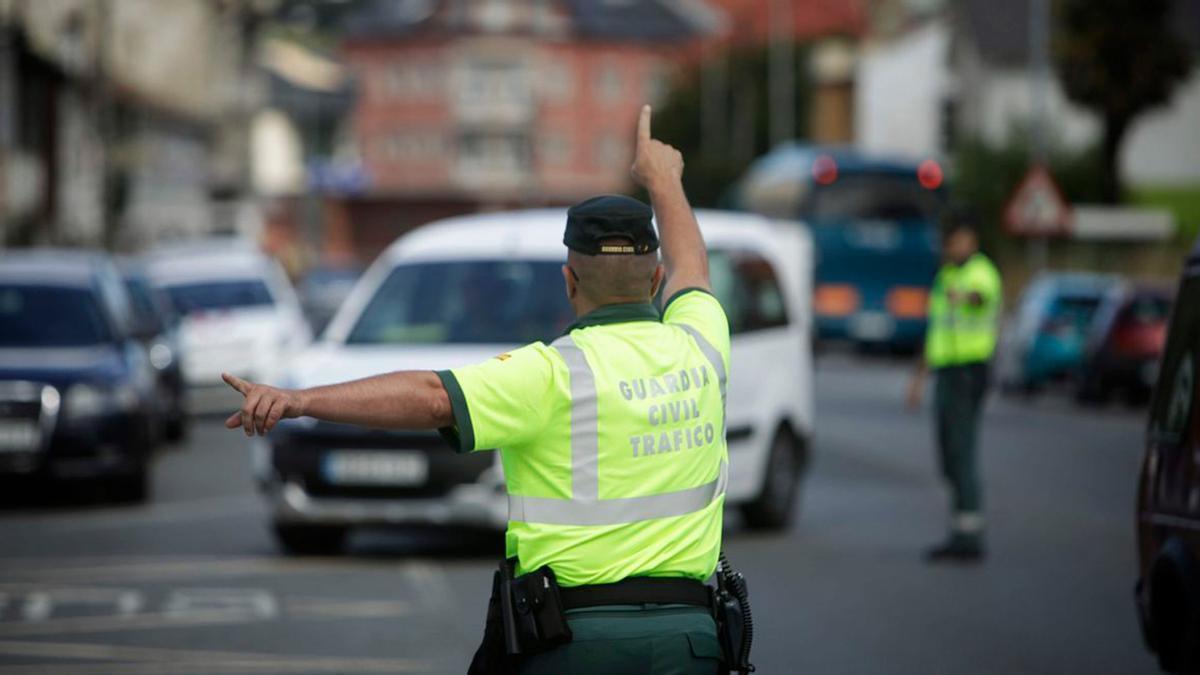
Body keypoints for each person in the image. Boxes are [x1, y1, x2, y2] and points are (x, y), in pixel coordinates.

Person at [220, 105, 733, 674]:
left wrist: (299, 400)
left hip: (579, 644)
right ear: (657, 281)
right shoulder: (702, 346)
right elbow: (694, 264)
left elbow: (432, 396)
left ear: (569, 282)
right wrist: (665, 179)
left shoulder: (552, 373)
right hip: (691, 641)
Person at [906, 215, 1002, 562]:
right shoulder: (945, 277)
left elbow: (979, 298)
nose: (953, 248)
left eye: (959, 241)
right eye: (950, 242)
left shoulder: (981, 272)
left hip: (969, 370)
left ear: (972, 241)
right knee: (948, 450)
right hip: (946, 371)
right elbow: (936, 331)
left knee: (961, 450)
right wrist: (918, 378)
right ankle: (960, 527)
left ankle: (969, 535)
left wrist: (960, 293)